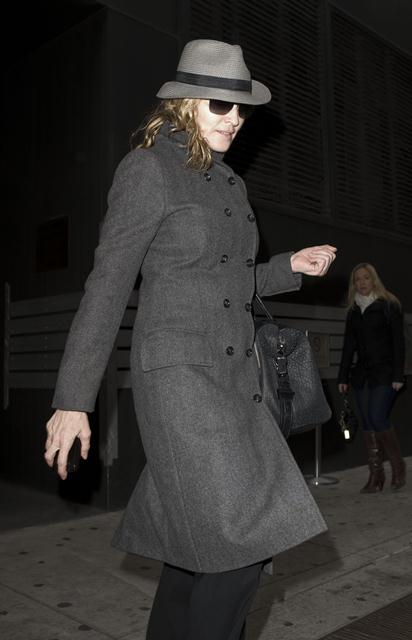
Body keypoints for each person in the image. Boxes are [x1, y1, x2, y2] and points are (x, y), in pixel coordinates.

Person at [44, 39, 336, 640]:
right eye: (219, 105)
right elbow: (108, 285)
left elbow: (227, 282)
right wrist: (72, 399)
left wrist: (287, 267)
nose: (234, 119)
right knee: (239, 550)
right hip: (181, 384)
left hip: (235, 380)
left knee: (194, 554)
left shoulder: (228, 183)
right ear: (184, 104)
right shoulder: (148, 170)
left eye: (241, 108)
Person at [338, 262, 406, 493]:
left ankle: (398, 468)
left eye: (366, 278)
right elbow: (349, 346)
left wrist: (398, 374)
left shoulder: (389, 305)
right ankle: (376, 477)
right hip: (362, 375)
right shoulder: (353, 311)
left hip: (385, 373)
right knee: (367, 422)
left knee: (378, 417)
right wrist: (342, 376)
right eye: (357, 279)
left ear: (373, 279)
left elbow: (398, 343)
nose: (362, 282)